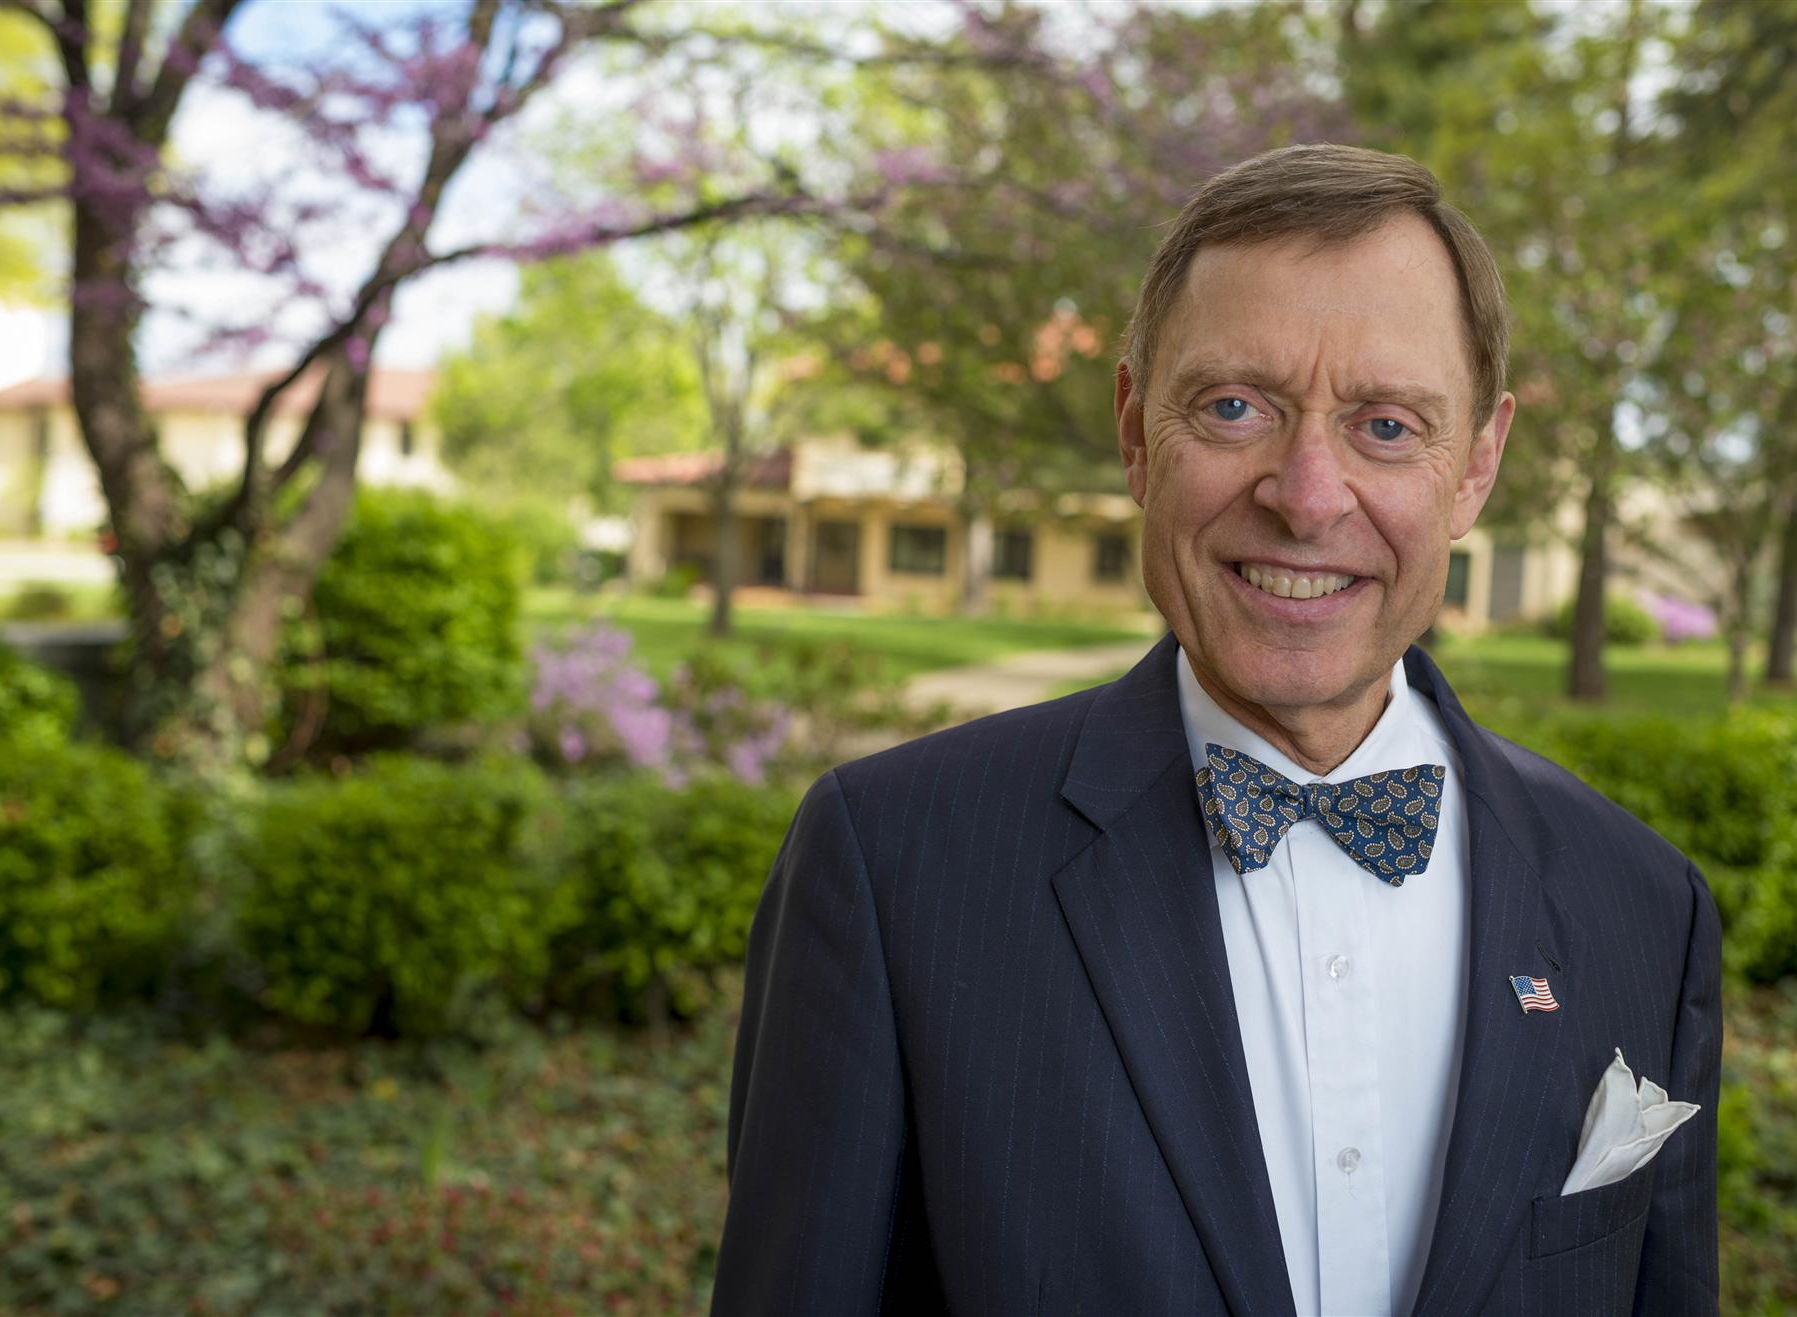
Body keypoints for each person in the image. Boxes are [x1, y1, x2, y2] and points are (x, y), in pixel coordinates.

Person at [712, 144, 1720, 1317]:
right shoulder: (890, 866)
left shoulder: (1645, 906)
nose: (1304, 494)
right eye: (1234, 407)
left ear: (1476, 466)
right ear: (1137, 430)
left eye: (1386, 426)